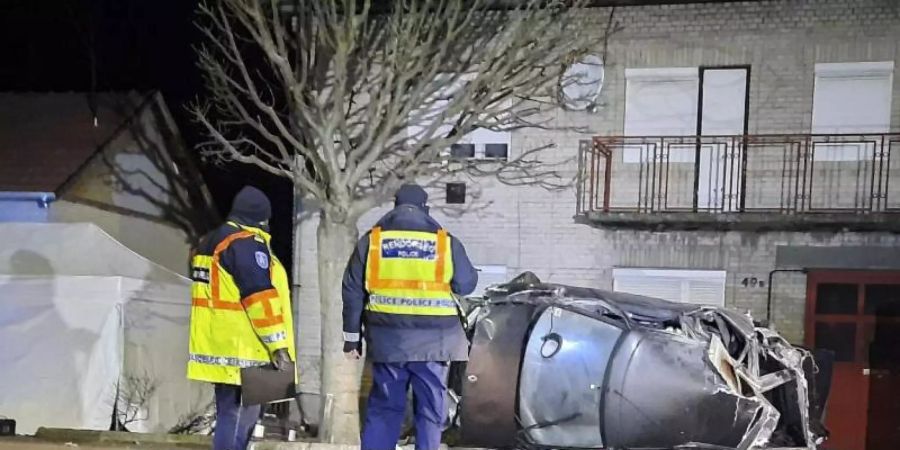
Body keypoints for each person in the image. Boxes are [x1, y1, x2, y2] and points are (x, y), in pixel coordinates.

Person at [342, 183, 478, 450]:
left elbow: (352, 291)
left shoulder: (373, 242)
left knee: (384, 409)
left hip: (389, 343)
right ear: (424, 208)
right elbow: (466, 284)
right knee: (430, 410)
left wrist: (351, 339)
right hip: (435, 344)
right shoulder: (444, 242)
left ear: (395, 206)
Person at [187, 186, 296, 450]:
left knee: (230, 416)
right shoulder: (246, 244)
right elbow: (259, 299)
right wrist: (278, 346)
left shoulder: (209, 243)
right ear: (262, 218)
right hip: (246, 348)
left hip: (220, 344)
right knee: (239, 419)